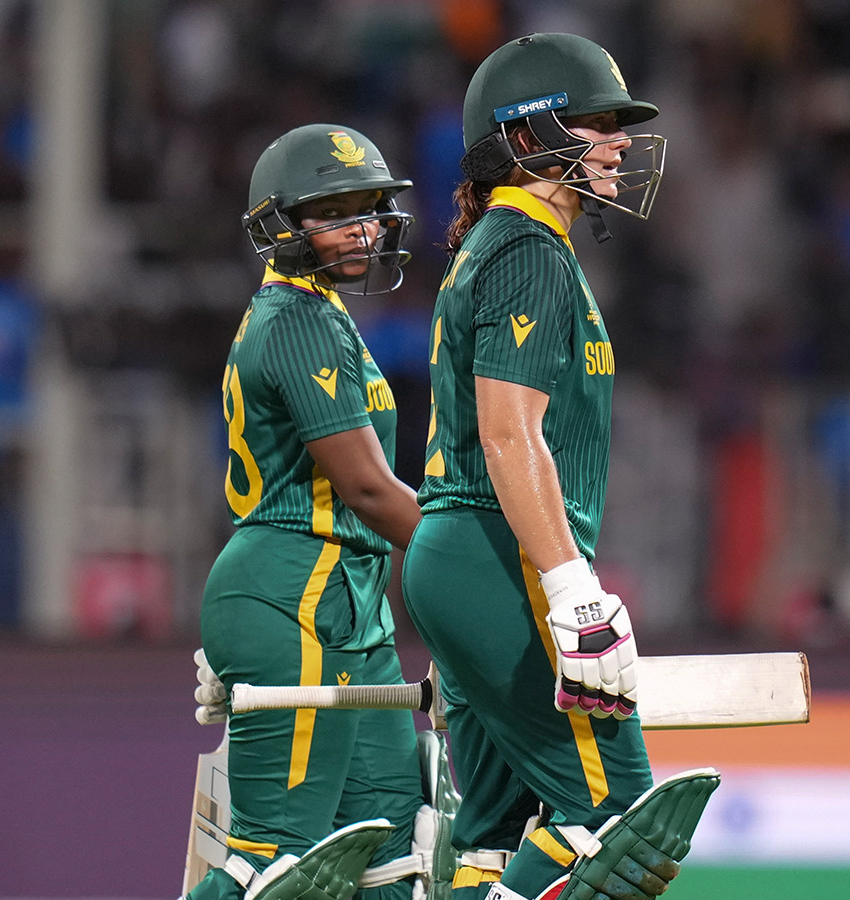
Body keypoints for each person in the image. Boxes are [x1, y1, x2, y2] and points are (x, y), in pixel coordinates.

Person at [401, 33, 717, 900]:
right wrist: (571, 586)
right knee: (613, 820)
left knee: (491, 839)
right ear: (532, 137)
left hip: (466, 557)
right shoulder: (528, 250)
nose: (618, 142)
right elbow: (510, 437)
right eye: (595, 122)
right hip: (501, 559)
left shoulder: (501, 246)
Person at [189, 124, 426, 900]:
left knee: (399, 860)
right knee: (278, 866)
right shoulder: (297, 319)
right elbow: (364, 489)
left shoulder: (320, 313)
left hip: (348, 598)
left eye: (368, 209)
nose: (362, 228)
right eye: (336, 211)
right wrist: (484, 575)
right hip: (292, 590)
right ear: (280, 224)